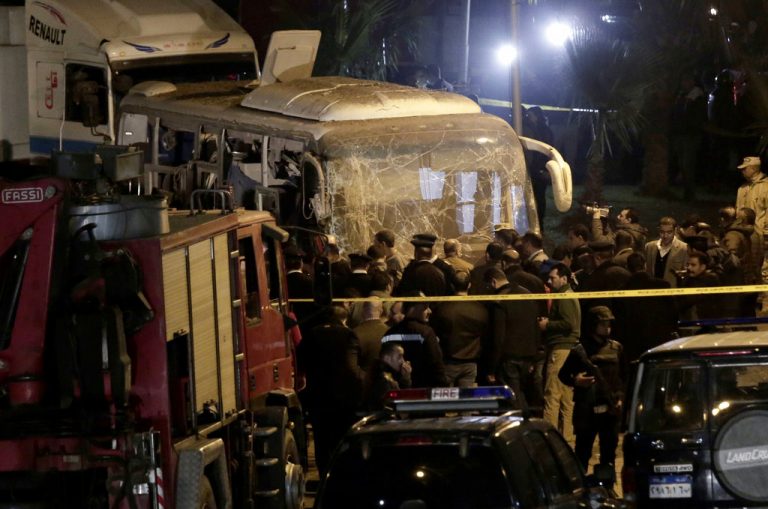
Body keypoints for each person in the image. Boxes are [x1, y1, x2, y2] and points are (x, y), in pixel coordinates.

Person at [297, 305, 365, 476]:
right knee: (341, 440)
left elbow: (300, 361)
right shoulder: (348, 334)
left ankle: (324, 477)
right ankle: (341, 476)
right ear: (344, 319)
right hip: (343, 399)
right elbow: (353, 367)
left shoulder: (312, 334)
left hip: (318, 397)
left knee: (321, 441)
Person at [558, 306, 626, 474]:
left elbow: (623, 377)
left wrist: (620, 398)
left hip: (609, 408)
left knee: (608, 453)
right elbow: (563, 375)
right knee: (582, 452)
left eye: (609, 324)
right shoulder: (580, 351)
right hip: (587, 409)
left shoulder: (616, 348)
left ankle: (607, 485)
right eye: (603, 324)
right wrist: (576, 381)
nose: (607, 328)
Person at [483, 268, 540, 410]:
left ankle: (520, 423)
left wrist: (491, 368)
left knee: (512, 399)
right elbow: (535, 327)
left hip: (509, 358)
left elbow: (498, 337)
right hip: (528, 356)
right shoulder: (527, 294)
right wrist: (535, 356)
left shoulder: (499, 301)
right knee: (522, 395)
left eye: (488, 287)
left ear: (493, 282)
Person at [539, 262, 580, 442]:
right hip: (568, 349)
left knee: (553, 394)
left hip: (561, 350)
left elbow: (568, 323)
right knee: (566, 397)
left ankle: (550, 440)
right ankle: (567, 438)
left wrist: (547, 324)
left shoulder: (564, 297)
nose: (549, 281)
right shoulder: (568, 295)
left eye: (552, 278)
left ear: (563, 278)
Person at [431, 271, 489, 387]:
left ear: (452, 286)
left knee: (446, 396)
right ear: (469, 285)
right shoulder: (480, 309)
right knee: (466, 397)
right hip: (471, 363)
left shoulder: (442, 308)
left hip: (447, 361)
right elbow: (485, 335)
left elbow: (434, 333)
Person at [380, 294, 448, 387]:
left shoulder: (390, 333)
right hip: (422, 388)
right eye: (425, 307)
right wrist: (443, 386)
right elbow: (436, 365)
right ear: (415, 308)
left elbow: (384, 363)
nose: (429, 311)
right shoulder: (426, 333)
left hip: (397, 388)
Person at [525, 106, 554, 227]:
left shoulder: (540, 131)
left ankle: (538, 223)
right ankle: (538, 223)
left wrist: (539, 168)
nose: (528, 118)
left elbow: (543, 151)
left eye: (530, 116)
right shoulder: (545, 130)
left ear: (536, 117)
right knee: (539, 196)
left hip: (538, 168)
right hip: (540, 168)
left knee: (538, 196)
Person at [364, 342, 412, 411]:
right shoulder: (382, 378)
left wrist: (405, 377)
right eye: (399, 357)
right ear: (387, 358)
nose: (403, 361)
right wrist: (406, 379)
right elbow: (396, 405)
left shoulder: (389, 375)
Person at [644, 216, 688, 287]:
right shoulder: (649, 247)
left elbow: (686, 273)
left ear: (675, 231)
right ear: (658, 230)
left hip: (672, 290)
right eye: (662, 232)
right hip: (653, 290)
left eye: (669, 232)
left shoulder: (684, 248)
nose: (665, 236)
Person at [735, 156, 768, 240]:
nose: (742, 171)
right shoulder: (742, 188)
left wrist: (766, 232)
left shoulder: (766, 187)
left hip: (760, 235)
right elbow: (738, 210)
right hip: (742, 234)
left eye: (745, 169)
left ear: (753, 169)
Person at [353, 298, 389, 371]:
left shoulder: (355, 333)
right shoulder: (389, 332)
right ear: (381, 311)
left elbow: (352, 366)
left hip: (363, 375)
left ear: (363, 310)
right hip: (386, 375)